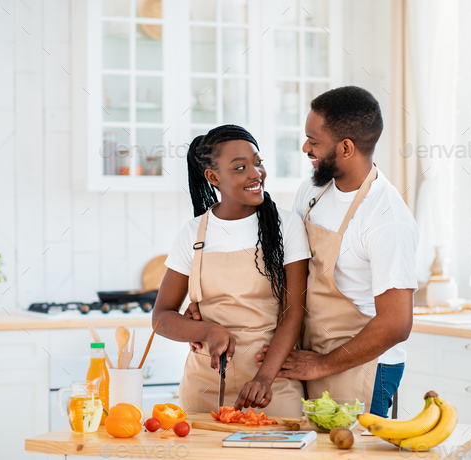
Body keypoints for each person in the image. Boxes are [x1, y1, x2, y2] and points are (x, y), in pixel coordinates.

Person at [257, 86, 419, 417]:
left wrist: (323, 365)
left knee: (353, 453)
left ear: (346, 147)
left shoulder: (387, 219)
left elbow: (396, 323)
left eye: (313, 141)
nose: (305, 148)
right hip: (311, 354)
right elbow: (292, 272)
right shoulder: (313, 190)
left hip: (364, 365)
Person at [152, 125, 310, 416]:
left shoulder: (286, 227)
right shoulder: (192, 234)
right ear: (213, 177)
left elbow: (293, 313)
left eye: (258, 162)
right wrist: (206, 330)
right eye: (240, 167)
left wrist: (264, 378)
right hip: (204, 386)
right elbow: (161, 317)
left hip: (271, 383)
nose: (255, 174)